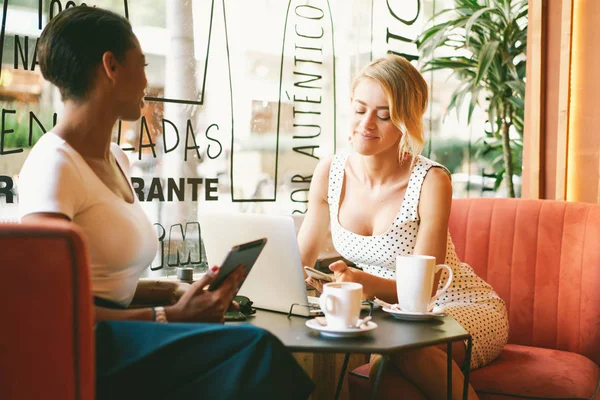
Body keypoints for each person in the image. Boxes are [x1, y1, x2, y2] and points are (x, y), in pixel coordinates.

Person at [17, 6, 314, 400]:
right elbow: (52, 307)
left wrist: (168, 291)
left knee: (246, 344)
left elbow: (101, 281)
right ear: (111, 66)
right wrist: (169, 317)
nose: (146, 81)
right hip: (87, 350)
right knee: (255, 352)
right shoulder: (53, 166)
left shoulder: (117, 159)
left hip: (120, 333)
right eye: (140, 65)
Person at [298, 54, 509, 399]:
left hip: (458, 308)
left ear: (406, 122)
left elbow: (424, 292)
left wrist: (363, 283)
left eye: (384, 115)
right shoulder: (329, 172)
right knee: (388, 368)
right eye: (359, 109)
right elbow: (300, 259)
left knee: (398, 354)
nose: (366, 123)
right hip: (393, 323)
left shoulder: (431, 180)